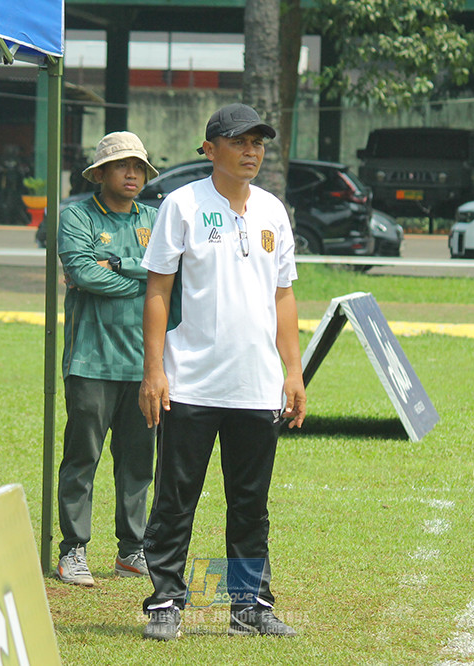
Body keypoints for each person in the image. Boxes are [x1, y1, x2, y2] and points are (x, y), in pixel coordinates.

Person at [137, 103, 307, 640]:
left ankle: (249, 606)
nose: (251, 152)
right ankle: (165, 602)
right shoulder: (182, 205)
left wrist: (294, 371)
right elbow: (157, 289)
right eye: (239, 141)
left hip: (256, 386)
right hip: (189, 382)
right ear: (210, 149)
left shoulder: (273, 211)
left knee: (251, 505)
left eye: (258, 142)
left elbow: (283, 296)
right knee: (174, 502)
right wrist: (153, 370)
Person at [55, 131, 160, 587]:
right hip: (90, 361)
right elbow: (82, 271)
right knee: (83, 457)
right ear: (100, 174)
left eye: (138, 166)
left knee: (138, 463)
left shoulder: (156, 219)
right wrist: (145, 281)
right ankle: (73, 550)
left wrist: (117, 265)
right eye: (122, 165)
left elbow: (173, 275)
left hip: (145, 364)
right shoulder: (76, 216)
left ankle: (132, 550)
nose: (132, 174)